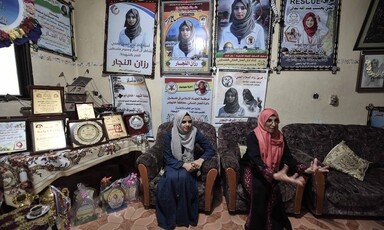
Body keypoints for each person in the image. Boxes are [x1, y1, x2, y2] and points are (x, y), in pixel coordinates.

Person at [239, 108, 329, 230]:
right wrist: (272, 174)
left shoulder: (280, 137)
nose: (273, 124)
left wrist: (305, 169)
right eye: (269, 120)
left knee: (273, 192)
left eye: (276, 120)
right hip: (252, 167)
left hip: (271, 170)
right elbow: (255, 159)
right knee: (261, 189)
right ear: (262, 121)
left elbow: (288, 158)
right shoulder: (253, 136)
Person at [156, 110, 215, 229]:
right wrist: (183, 164)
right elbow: (167, 157)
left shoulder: (195, 132)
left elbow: (210, 149)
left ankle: (184, 218)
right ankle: (170, 218)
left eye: (189, 121)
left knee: (183, 178)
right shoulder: (170, 134)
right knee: (170, 179)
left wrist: (200, 160)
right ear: (178, 122)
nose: (187, 125)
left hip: (190, 164)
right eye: (183, 122)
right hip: (173, 164)